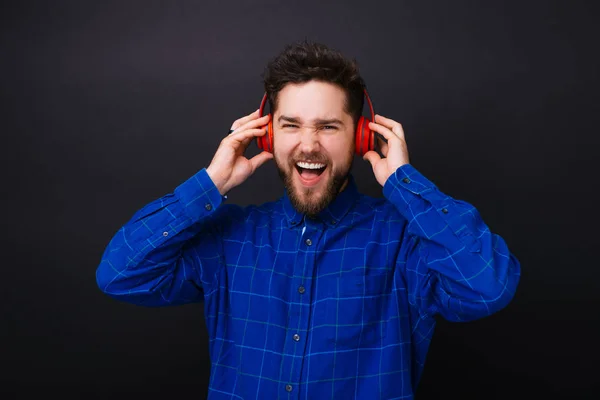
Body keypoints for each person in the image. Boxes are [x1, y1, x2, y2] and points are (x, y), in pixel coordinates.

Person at [96, 40, 520, 399]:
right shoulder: (229, 237)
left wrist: (405, 185)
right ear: (268, 135)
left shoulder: (406, 241)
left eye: (329, 127)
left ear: (361, 136)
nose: (308, 144)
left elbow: (488, 286)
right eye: (291, 125)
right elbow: (120, 274)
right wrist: (210, 184)